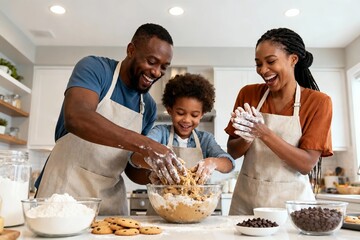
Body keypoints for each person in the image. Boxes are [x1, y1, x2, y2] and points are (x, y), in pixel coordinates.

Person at [35, 23, 187, 215]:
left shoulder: (147, 106)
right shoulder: (96, 69)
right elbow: (77, 117)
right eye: (151, 61)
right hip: (63, 193)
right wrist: (147, 144)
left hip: (109, 203)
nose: (156, 72)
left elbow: (130, 167)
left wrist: (153, 174)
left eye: (163, 67)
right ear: (131, 50)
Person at [225, 28, 333, 215]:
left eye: (271, 61)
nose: (263, 70)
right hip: (246, 201)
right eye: (258, 64)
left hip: (293, 206)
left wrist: (263, 132)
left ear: (293, 59)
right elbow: (233, 152)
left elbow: (306, 164)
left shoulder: (318, 102)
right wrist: (247, 137)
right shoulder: (248, 94)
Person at [129, 73, 235, 186]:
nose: (186, 120)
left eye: (194, 115)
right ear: (170, 110)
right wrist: (158, 163)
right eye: (180, 113)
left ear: (202, 114)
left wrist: (213, 162)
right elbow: (134, 157)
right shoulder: (160, 133)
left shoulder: (205, 139)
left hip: (196, 201)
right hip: (165, 200)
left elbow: (229, 163)